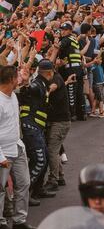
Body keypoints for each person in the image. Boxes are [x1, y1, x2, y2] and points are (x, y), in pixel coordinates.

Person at [0, 65, 34, 229]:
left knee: (24, 183)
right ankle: (1, 223)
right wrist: (0, 157)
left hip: (17, 147)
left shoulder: (12, 95)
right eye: (17, 77)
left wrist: (26, 82)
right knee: (0, 189)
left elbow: (28, 95)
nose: (19, 80)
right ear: (11, 79)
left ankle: (20, 220)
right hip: (3, 153)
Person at [18, 60, 56, 200]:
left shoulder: (43, 84)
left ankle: (38, 189)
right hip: (31, 128)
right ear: (48, 72)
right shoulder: (37, 84)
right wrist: (26, 84)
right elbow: (30, 89)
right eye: (52, 71)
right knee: (39, 160)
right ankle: (24, 194)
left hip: (37, 128)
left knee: (44, 160)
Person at [42, 64, 74, 195]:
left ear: (49, 72)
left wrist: (45, 92)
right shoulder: (58, 78)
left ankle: (53, 180)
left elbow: (53, 86)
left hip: (60, 123)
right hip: (59, 121)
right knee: (54, 150)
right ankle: (60, 176)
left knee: (52, 151)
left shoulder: (56, 78)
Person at [57, 22, 85, 120]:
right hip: (78, 68)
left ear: (69, 31)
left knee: (71, 90)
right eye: (61, 30)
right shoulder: (74, 40)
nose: (62, 32)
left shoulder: (66, 39)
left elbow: (58, 47)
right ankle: (82, 113)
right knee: (80, 92)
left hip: (71, 68)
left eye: (64, 30)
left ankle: (72, 114)